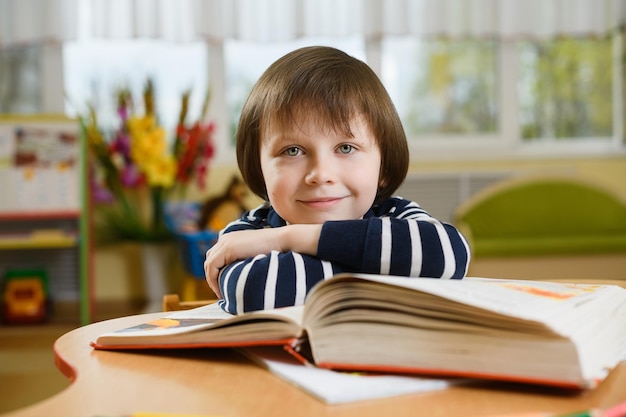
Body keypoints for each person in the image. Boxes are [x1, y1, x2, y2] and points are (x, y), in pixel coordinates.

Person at [204, 46, 471, 315]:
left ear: (384, 167)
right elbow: (256, 291)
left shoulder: (395, 213)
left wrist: (288, 238)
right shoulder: (246, 232)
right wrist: (390, 267)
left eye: (346, 148)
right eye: (293, 151)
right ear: (259, 168)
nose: (321, 174)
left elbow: (449, 254)